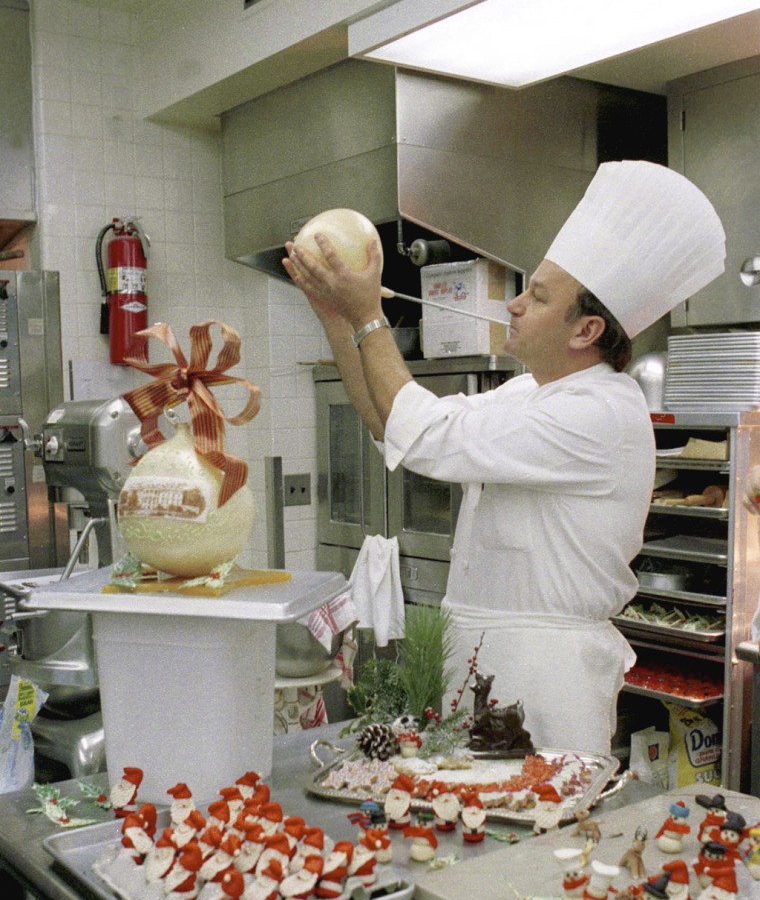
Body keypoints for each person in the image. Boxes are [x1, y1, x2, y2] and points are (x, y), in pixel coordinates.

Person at [283, 160, 725, 754]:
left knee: (542, 835)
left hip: (545, 678)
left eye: (537, 297)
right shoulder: (530, 392)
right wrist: (337, 319)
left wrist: (368, 315)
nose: (515, 305)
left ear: (585, 330)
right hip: (476, 661)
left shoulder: (600, 413)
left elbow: (428, 430)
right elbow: (393, 422)